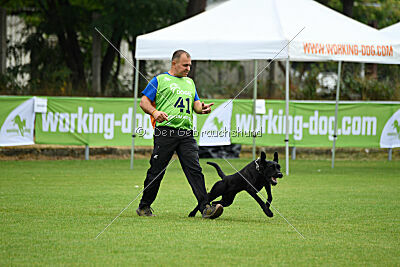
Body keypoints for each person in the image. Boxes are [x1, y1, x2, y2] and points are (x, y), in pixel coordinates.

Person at [136, 49, 224, 219]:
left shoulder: (190, 83)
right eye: (185, 65)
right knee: (157, 171)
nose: (188, 68)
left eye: (190, 65)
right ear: (174, 63)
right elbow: (143, 102)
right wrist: (154, 113)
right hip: (165, 132)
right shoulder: (159, 80)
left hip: (186, 134)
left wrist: (202, 109)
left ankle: (205, 208)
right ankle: (144, 206)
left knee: (195, 170)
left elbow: (196, 105)